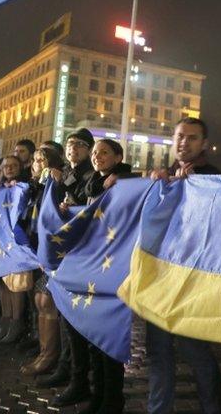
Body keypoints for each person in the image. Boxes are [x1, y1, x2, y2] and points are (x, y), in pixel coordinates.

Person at [146, 117, 221, 414]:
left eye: (192, 138)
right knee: (159, 354)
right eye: (180, 136)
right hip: (159, 281)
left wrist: (192, 188)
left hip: (194, 282)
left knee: (198, 354)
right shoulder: (159, 177)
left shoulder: (215, 179)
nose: (184, 142)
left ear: (204, 144)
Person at [79, 138, 138, 414]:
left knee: (109, 337)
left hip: (113, 268)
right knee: (93, 336)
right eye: (94, 153)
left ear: (118, 157)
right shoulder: (91, 183)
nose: (97, 156)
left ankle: (113, 399)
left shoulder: (126, 181)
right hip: (92, 265)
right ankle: (97, 393)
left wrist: (122, 181)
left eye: (104, 152)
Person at [49, 128, 96, 407]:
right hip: (65, 254)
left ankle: (81, 381)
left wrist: (69, 198)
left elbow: (89, 207)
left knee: (80, 323)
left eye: (79, 145)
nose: (72, 149)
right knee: (66, 317)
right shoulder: (65, 172)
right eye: (69, 144)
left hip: (84, 256)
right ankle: (69, 372)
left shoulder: (90, 176)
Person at [20, 146, 64, 377]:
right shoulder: (35, 187)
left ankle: (50, 356)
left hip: (52, 252)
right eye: (35, 160)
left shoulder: (56, 183)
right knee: (38, 301)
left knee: (46, 302)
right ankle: (43, 350)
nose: (37, 164)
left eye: (42, 160)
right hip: (36, 250)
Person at [0, 155, 31, 344]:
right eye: (6, 166)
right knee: (3, 286)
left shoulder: (25, 187)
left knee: (16, 286)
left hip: (18, 242)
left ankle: (17, 323)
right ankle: (4, 321)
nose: (10, 168)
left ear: (21, 168)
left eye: (14, 166)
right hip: (1, 242)